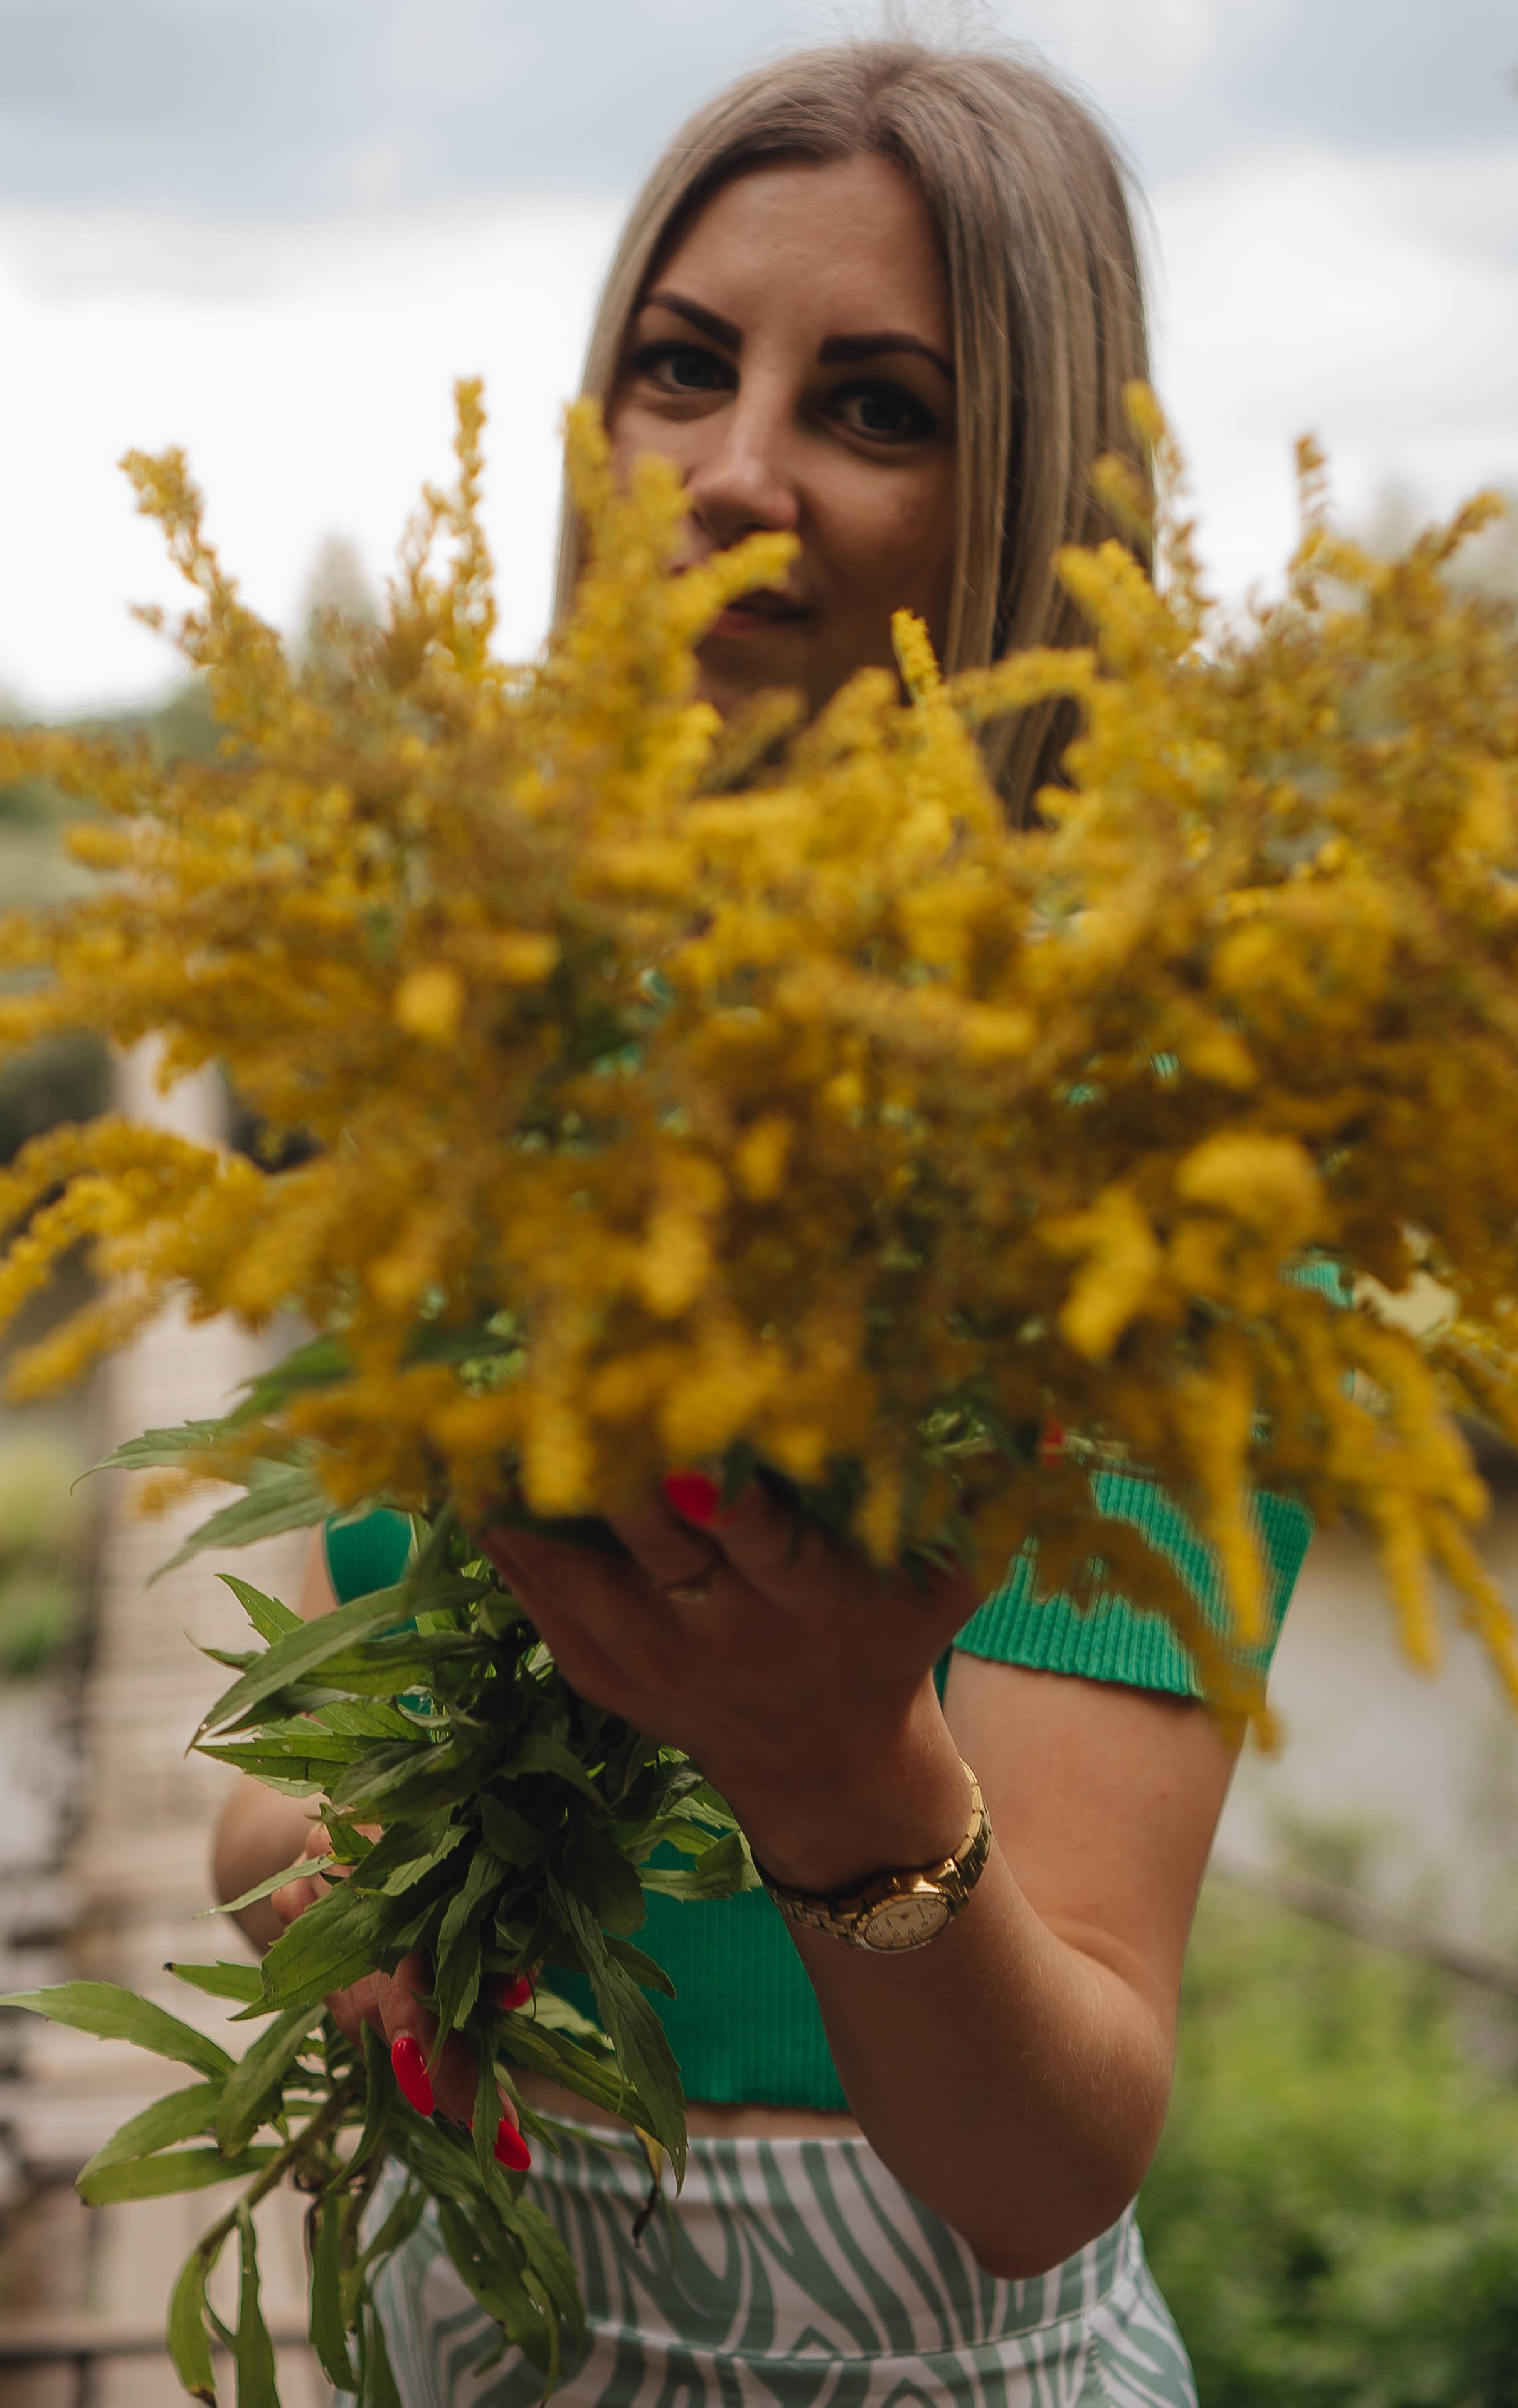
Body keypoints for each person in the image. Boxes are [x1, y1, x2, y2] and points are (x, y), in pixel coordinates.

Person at [215, 38, 1317, 2405]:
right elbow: (273, 1751)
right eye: (684, 368)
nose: (732, 474)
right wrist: (361, 1891)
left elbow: (1049, 2166)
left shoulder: (1146, 1158)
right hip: (465, 2320)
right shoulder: (460, 1038)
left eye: (879, 408)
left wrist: (843, 1780)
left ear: (1023, 507)